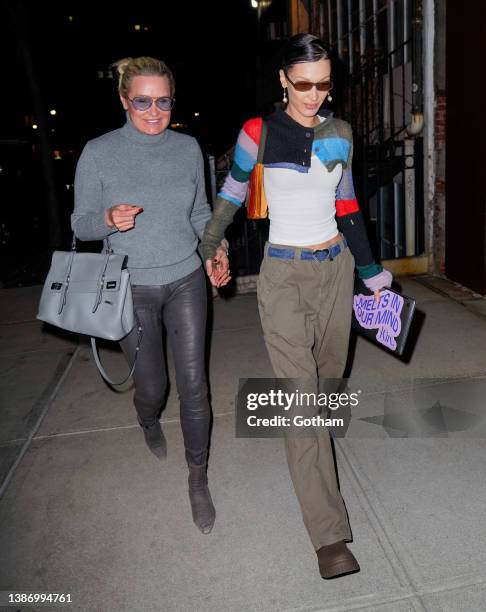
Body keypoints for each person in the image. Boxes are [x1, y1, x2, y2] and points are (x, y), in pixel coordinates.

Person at [200, 34, 392, 576]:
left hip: (337, 269)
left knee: (328, 383)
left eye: (324, 83)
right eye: (303, 83)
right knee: (304, 403)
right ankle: (330, 538)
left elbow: (348, 203)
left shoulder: (340, 135)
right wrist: (209, 243)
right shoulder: (257, 133)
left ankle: (315, 450)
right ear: (284, 79)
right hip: (282, 274)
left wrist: (372, 270)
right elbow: (233, 193)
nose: (314, 94)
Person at [71, 56, 230, 534]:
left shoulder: (186, 148)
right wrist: (107, 220)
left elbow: (201, 212)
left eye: (163, 101)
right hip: (130, 287)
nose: (154, 110)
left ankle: (197, 477)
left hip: (185, 278)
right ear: (123, 100)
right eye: (142, 100)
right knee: (153, 388)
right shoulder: (98, 152)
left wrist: (216, 247)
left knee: (194, 384)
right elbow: (79, 223)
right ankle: (147, 419)